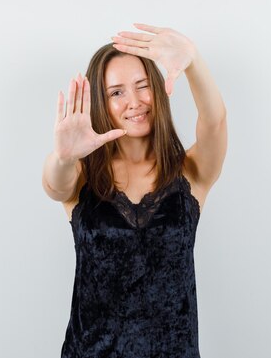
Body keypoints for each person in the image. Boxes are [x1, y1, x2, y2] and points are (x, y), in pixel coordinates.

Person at [41, 23, 227, 357]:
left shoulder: (191, 172)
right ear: (101, 102)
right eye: (117, 92)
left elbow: (214, 123)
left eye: (142, 86)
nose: (134, 102)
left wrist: (194, 62)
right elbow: (55, 187)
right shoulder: (82, 175)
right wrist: (63, 157)